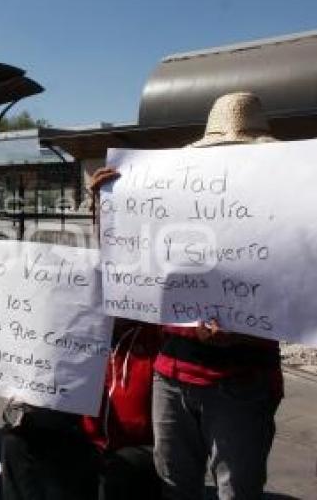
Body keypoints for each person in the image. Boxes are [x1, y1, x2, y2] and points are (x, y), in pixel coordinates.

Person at [91, 92, 283, 500]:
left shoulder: (282, 213)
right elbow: (130, 265)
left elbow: (292, 299)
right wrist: (107, 209)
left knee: (237, 492)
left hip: (241, 379)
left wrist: (240, 332)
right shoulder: (182, 200)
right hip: (171, 371)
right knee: (174, 487)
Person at [1, 321, 163, 500]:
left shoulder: (157, 339)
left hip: (137, 451)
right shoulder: (79, 330)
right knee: (16, 442)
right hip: (87, 442)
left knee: (119, 467)